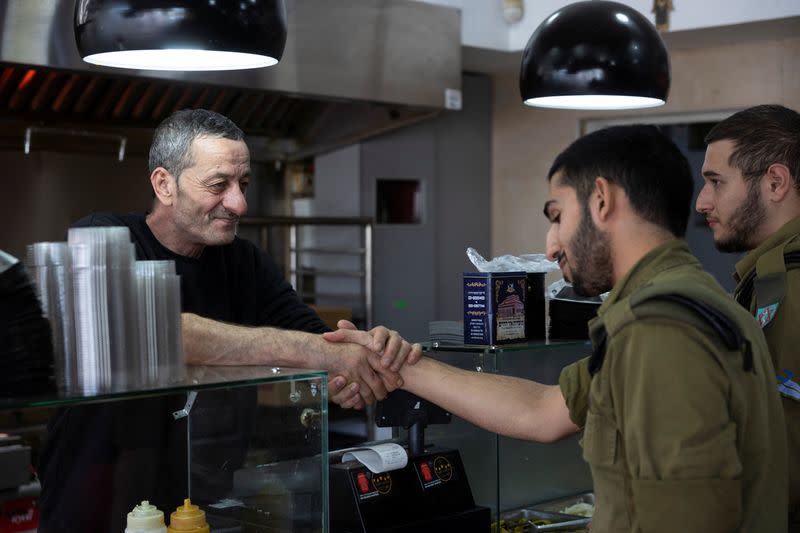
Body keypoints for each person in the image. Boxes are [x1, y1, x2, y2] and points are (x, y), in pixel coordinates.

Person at [328, 125, 788, 532]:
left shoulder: (660, 330)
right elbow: (542, 410)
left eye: (556, 217)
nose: (550, 248)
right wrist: (400, 365)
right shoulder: (679, 306)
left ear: (602, 201)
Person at [37, 109, 420, 532]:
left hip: (203, 504)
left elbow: (319, 340)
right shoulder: (103, 237)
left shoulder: (244, 262)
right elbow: (156, 332)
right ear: (164, 184)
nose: (239, 203)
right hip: (98, 501)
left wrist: (360, 360)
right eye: (219, 185)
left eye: (243, 184)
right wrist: (320, 355)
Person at [696, 103, 800, 527]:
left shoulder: (786, 284)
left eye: (716, 182)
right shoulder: (769, 274)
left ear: (775, 182)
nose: (702, 202)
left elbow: (783, 444)